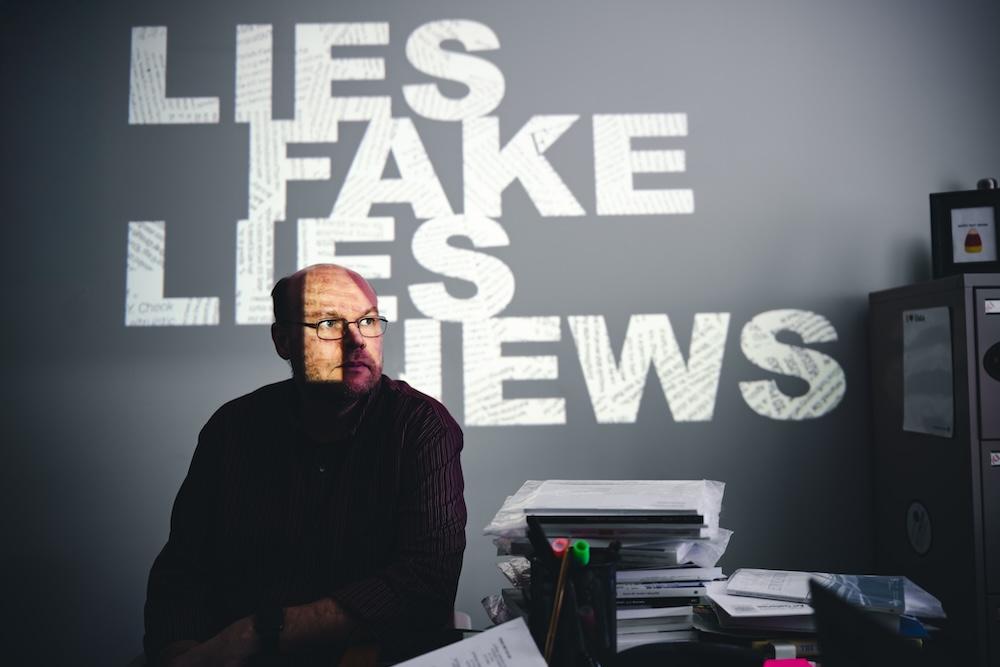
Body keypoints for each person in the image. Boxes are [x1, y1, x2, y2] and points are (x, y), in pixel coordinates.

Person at [144, 264, 467, 666]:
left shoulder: (420, 427)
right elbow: (182, 571)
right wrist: (181, 655)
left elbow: (425, 582)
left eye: (368, 321)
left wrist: (257, 633)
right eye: (329, 323)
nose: (357, 340)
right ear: (283, 341)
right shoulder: (231, 429)